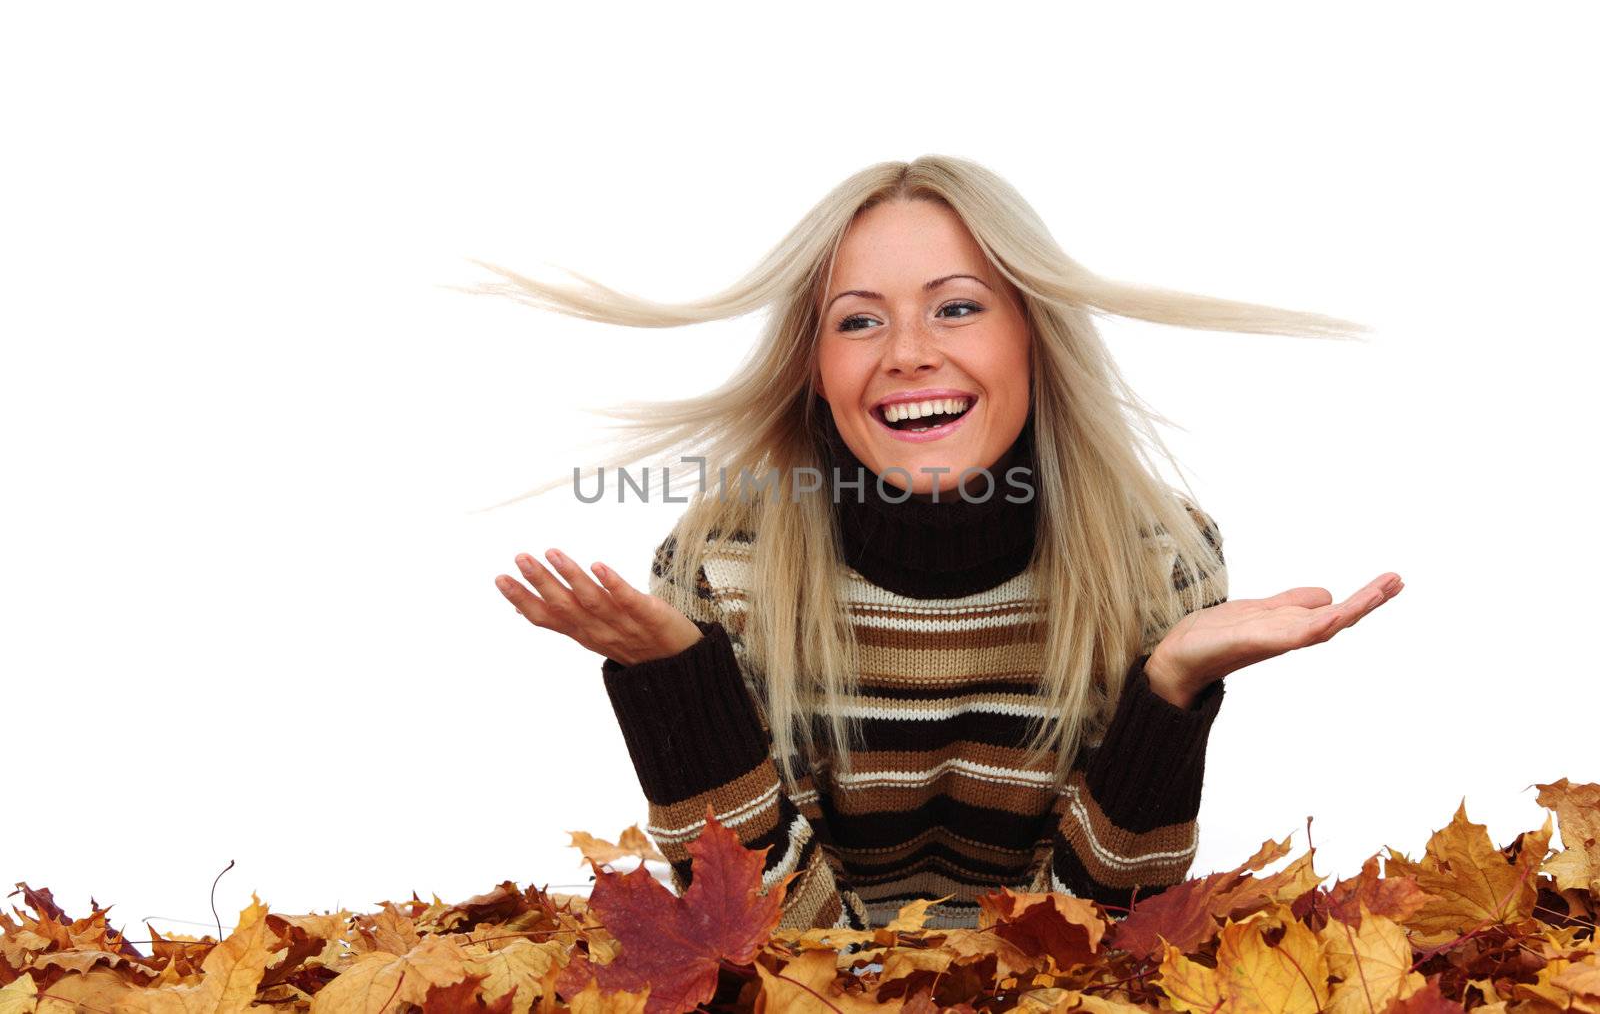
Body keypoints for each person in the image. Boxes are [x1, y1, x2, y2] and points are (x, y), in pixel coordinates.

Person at [476, 156, 1403, 930]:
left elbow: (1096, 945)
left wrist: (1169, 692)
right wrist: (682, 692)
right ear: (817, 369)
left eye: (958, 307)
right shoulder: (724, 562)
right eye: (859, 319)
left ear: (1033, 335)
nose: (908, 351)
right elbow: (776, 955)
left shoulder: (1161, 556)